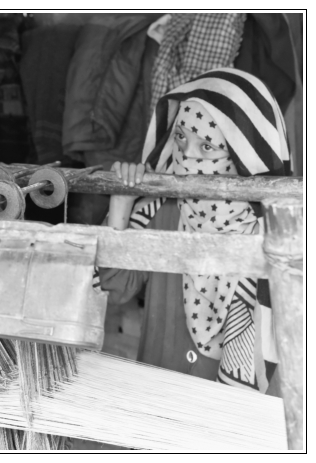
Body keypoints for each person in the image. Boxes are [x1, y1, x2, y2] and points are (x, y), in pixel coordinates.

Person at [101, 68, 289, 394]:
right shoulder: (163, 210)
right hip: (158, 404)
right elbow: (115, 288)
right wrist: (122, 200)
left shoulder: (279, 240)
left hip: (234, 429)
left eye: (206, 148)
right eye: (181, 138)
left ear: (241, 156)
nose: (187, 158)